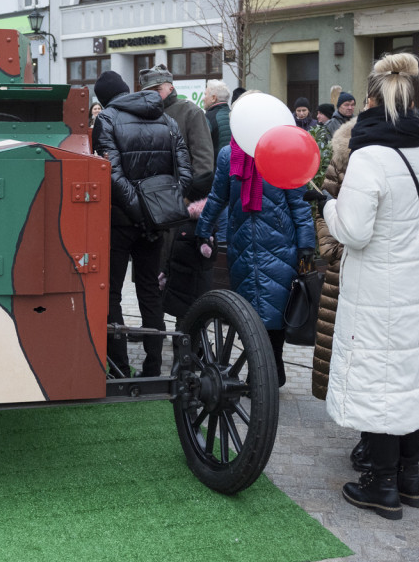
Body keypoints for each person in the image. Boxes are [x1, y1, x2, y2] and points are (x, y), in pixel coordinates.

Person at [317, 52, 419, 520]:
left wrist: (327, 207)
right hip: (409, 280)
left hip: (373, 285)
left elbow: (353, 231)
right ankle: (410, 478)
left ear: (370, 101)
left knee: (377, 379)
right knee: (407, 378)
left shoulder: (368, 157)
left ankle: (381, 485)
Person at [195, 91, 317, 387]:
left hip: (278, 245)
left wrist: (305, 246)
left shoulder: (283, 152)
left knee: (274, 311)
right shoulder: (229, 155)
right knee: (248, 313)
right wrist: (203, 227)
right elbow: (217, 197)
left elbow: (299, 204)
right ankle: (268, 371)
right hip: (242, 246)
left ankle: (269, 372)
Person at [91, 70, 192, 378]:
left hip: (119, 221)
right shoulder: (166, 118)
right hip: (156, 221)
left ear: (104, 98)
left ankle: (120, 366)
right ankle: (152, 366)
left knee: (111, 293)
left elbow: (111, 173)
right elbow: (185, 173)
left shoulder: (105, 120)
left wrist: (138, 209)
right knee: (150, 291)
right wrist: (158, 209)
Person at [140, 64, 216, 320]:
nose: (151, 94)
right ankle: (153, 326)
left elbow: (204, 165)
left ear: (169, 87)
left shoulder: (190, 112)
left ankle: (187, 337)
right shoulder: (144, 115)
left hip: (180, 209)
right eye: (147, 90)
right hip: (150, 209)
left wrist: (184, 200)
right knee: (151, 275)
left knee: (182, 280)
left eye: (156, 89)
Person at [203, 80, 232, 154]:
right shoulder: (234, 116)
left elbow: (201, 147)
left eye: (205, 95)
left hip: (216, 164)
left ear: (213, 98)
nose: (203, 99)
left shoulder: (207, 118)